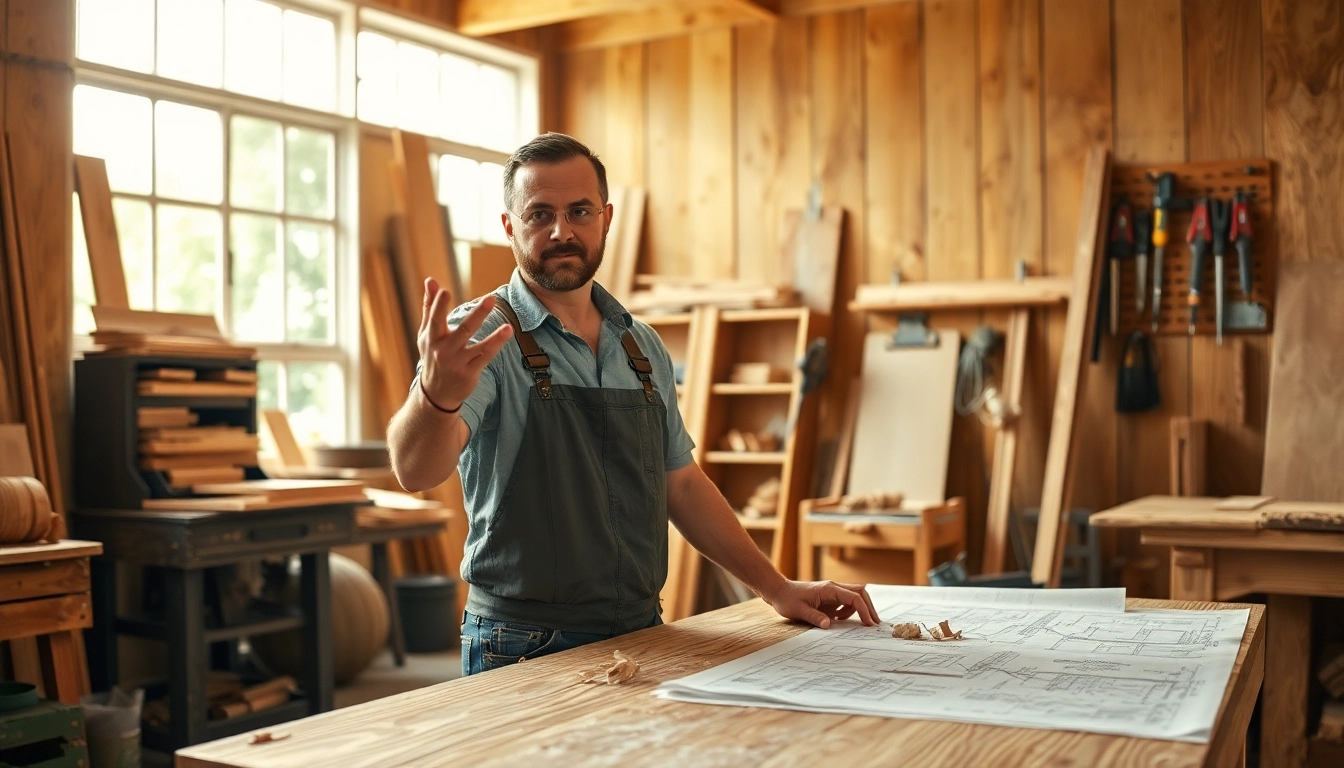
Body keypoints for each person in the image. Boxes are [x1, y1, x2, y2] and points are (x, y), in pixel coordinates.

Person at [387, 133, 879, 676]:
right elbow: (415, 470)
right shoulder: (483, 337)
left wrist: (777, 588)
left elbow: (682, 484)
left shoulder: (640, 345)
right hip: (522, 639)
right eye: (539, 214)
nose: (561, 231)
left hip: (642, 630)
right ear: (509, 226)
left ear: (606, 218)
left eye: (579, 211)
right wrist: (435, 399)